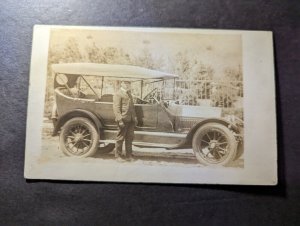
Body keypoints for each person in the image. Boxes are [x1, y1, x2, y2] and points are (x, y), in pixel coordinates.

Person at [113, 80, 137, 162]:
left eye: (128, 83)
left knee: (129, 138)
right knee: (120, 138)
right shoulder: (118, 94)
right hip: (123, 119)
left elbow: (132, 107)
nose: (127, 85)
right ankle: (118, 156)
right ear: (122, 84)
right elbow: (116, 108)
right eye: (125, 83)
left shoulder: (129, 94)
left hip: (130, 120)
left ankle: (128, 155)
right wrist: (120, 120)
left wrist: (134, 118)